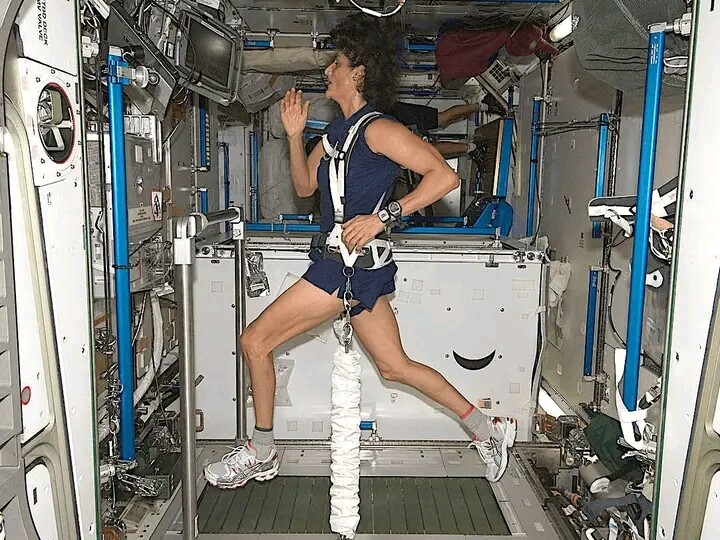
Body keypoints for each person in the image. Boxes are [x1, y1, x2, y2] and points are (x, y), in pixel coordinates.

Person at [203, 13, 516, 490]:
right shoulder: (336, 134)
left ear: (360, 73)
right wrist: (294, 135)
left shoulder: (378, 129)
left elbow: (444, 177)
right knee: (395, 367)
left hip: (344, 270)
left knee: (254, 342)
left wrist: (383, 216)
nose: (328, 70)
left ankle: (262, 451)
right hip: (354, 269)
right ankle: (487, 428)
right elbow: (304, 186)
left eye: (337, 64)